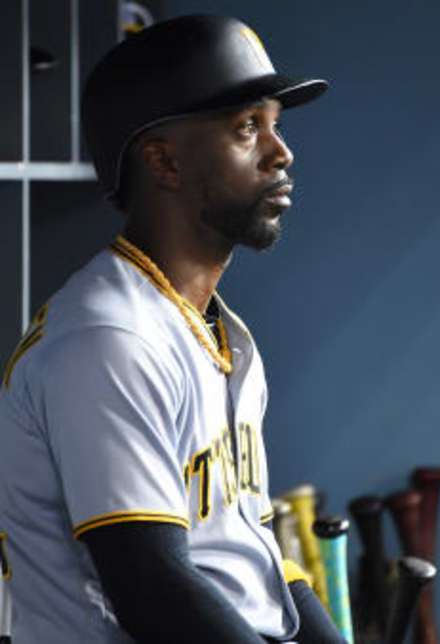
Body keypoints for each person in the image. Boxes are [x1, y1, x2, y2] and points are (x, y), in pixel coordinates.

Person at [0, 14, 346, 644]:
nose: (281, 152)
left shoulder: (218, 332)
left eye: (276, 124)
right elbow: (152, 590)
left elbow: (256, 548)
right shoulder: (108, 340)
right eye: (247, 128)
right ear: (164, 161)